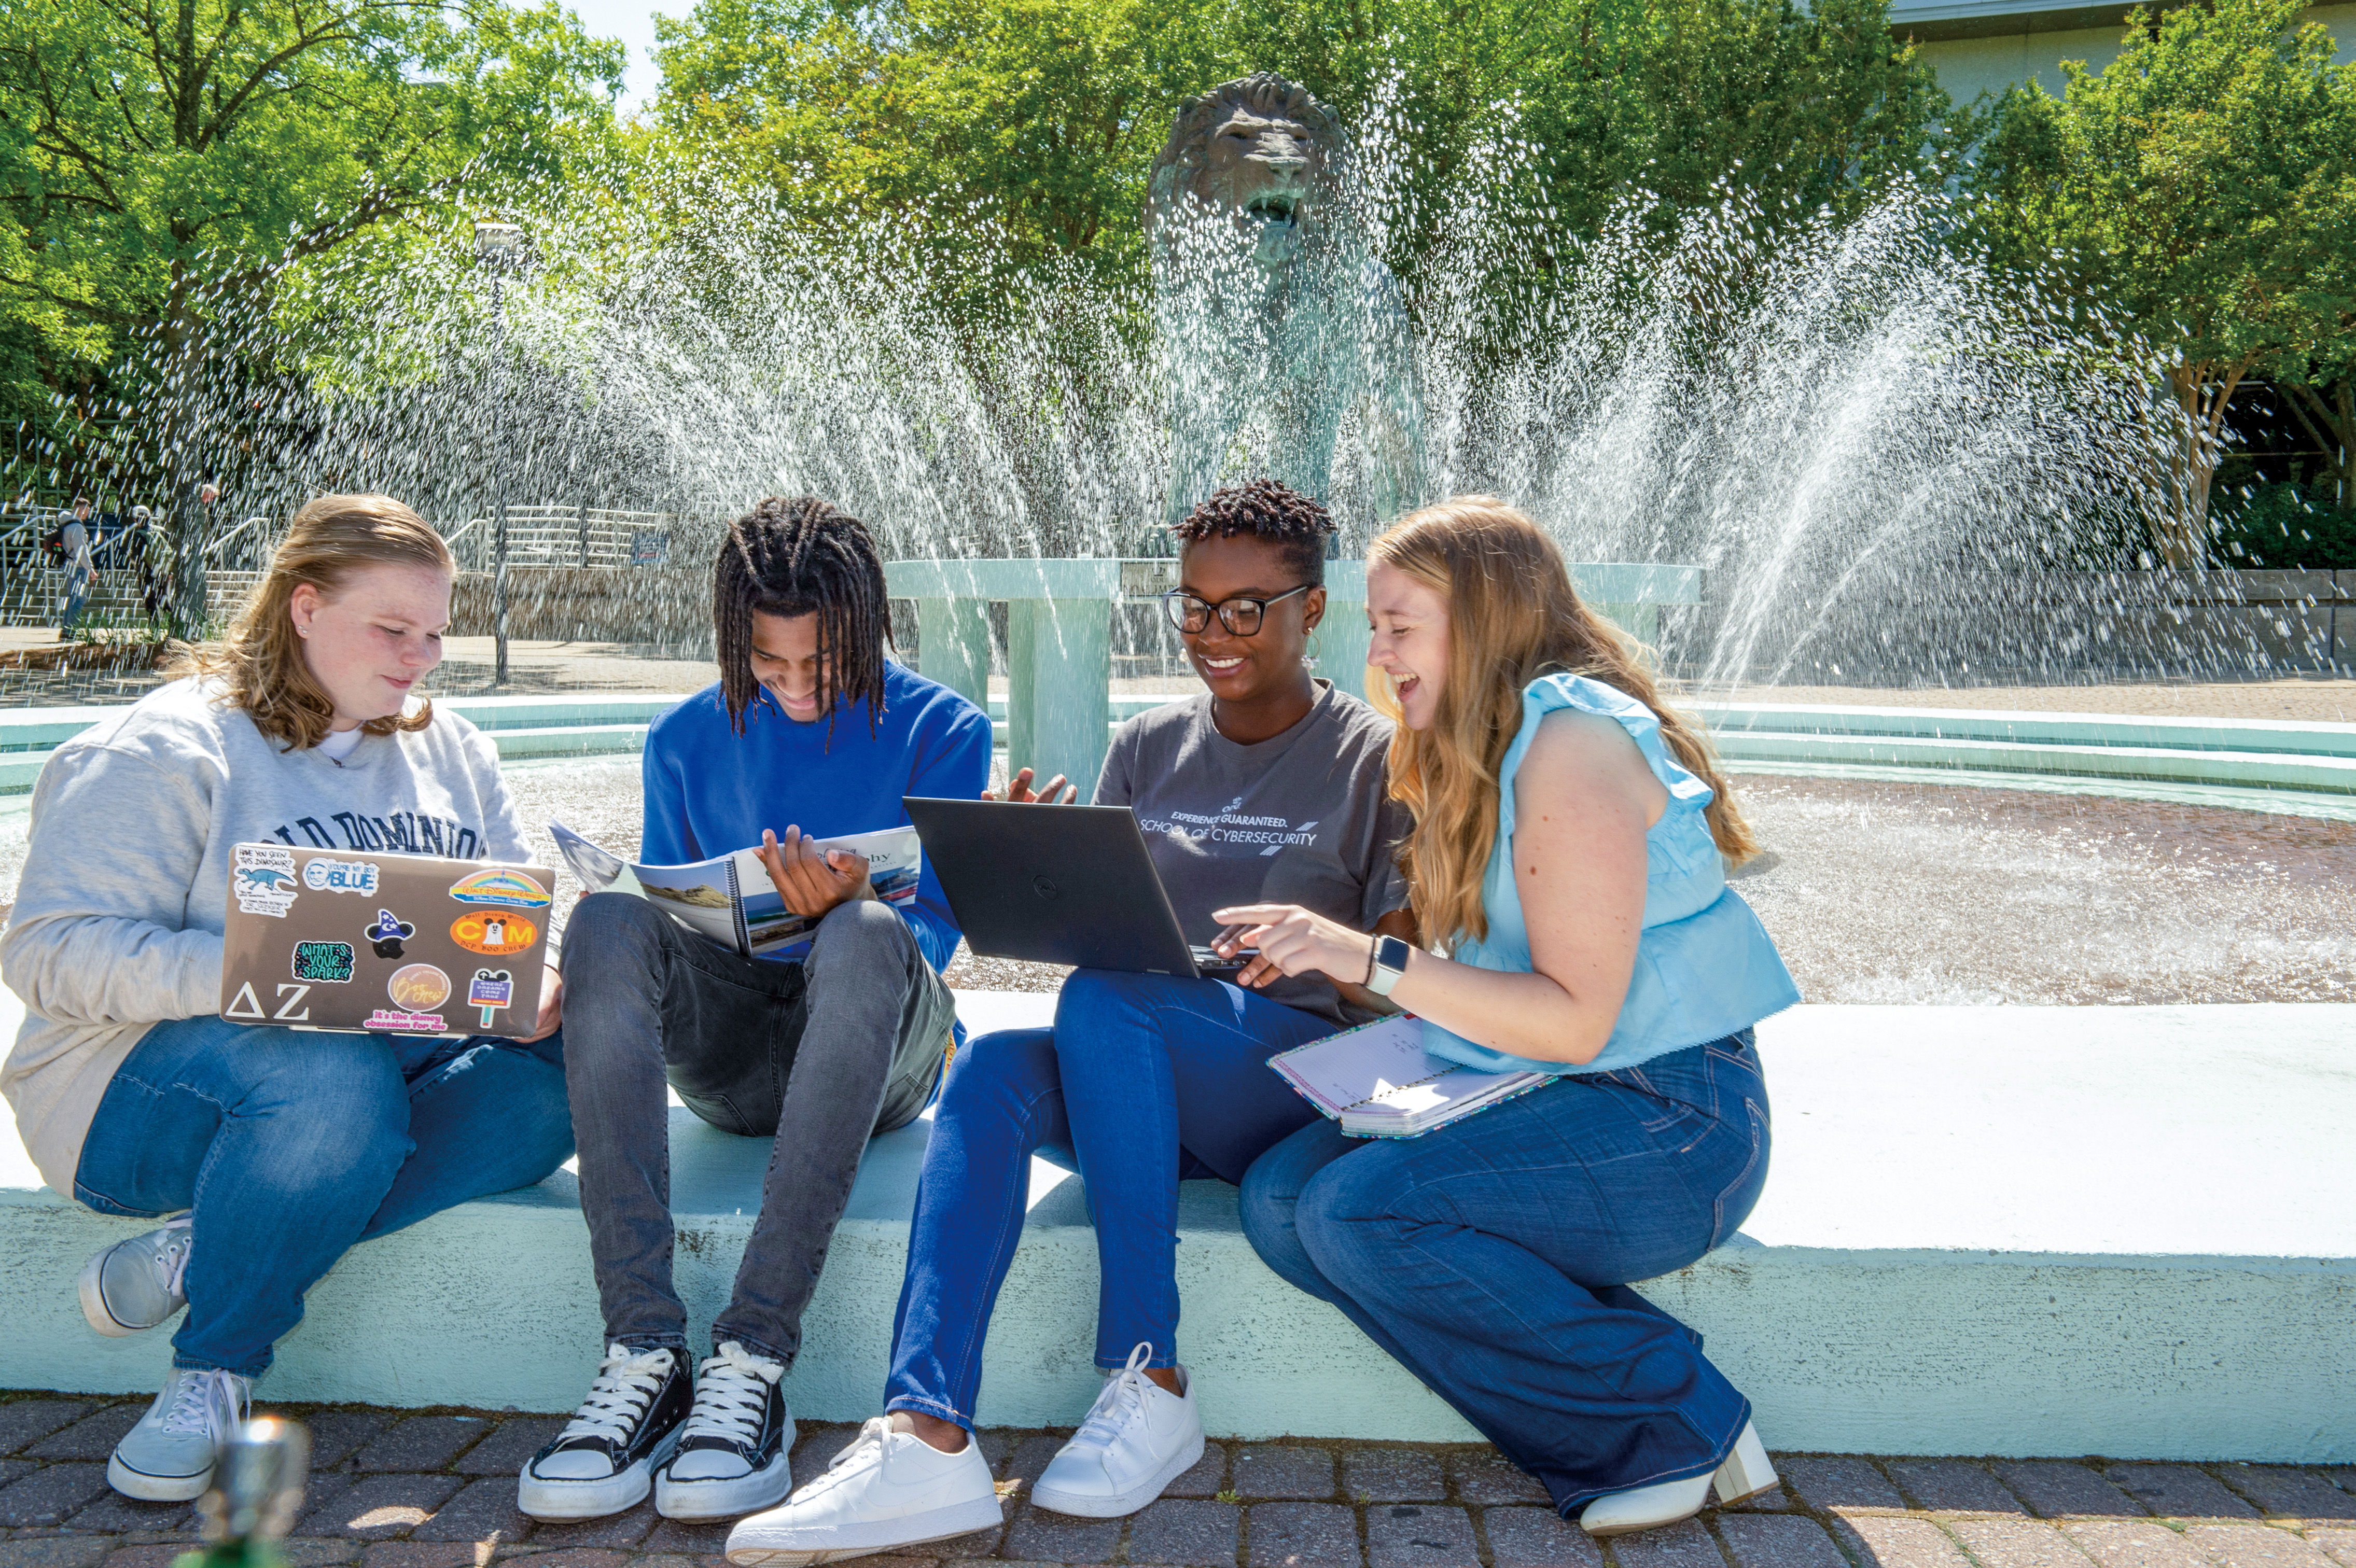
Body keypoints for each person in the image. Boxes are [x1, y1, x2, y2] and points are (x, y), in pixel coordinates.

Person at [724, 479, 1417, 1564]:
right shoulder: (1144, 745)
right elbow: (1100, 936)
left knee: (1112, 1001)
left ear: (1312, 610)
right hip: (1135, 1068)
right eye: (1192, 606)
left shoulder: (1375, 756)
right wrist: (1029, 861)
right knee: (995, 1066)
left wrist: (1304, 945)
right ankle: (925, 1432)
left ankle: (1151, 1375)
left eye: (1245, 609)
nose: (1213, 634)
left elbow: (1399, 982)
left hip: (1283, 1079)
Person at [1210, 497, 1802, 1538]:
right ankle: (1648, 1382)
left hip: (1671, 1120)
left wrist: (1370, 959)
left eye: (1401, 625)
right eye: (1376, 625)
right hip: (1551, 1091)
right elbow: (1498, 996)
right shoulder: (1481, 745)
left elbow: (1575, 1024)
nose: (1378, 652)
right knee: (1280, 1200)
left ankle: (1667, 1425)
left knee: (1359, 1212)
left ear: (1481, 618)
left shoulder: (1570, 742)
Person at [0, 494, 573, 1503]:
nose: (420, 657)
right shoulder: (168, 747)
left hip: (370, 1067)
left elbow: (504, 917)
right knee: (330, 1066)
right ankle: (215, 1369)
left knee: (569, 1078)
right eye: (392, 630)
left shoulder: (455, 749)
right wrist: (263, 973)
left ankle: (213, 1241)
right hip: (123, 1094)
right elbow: (47, 952)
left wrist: (529, 983)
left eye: (434, 633)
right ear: (304, 610)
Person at [523, 496, 989, 1525]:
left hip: (883, 1060)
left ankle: (753, 1363)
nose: (793, 690)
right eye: (766, 669)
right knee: (602, 922)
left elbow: (940, 942)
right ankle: (643, 1354)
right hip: (734, 1058)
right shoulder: (684, 735)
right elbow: (667, 908)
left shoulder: (946, 728)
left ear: (869, 632)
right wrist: (602, 977)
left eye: (820, 669)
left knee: (866, 934)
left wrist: (854, 906)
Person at [58, 495, 97, 638]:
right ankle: (71, 631)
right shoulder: (77, 526)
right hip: (78, 567)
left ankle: (66, 630)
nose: (87, 514)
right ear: (80, 508)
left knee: (72, 598)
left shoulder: (66, 524)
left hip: (69, 565)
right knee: (78, 599)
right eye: (87, 510)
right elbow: (82, 550)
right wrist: (90, 569)